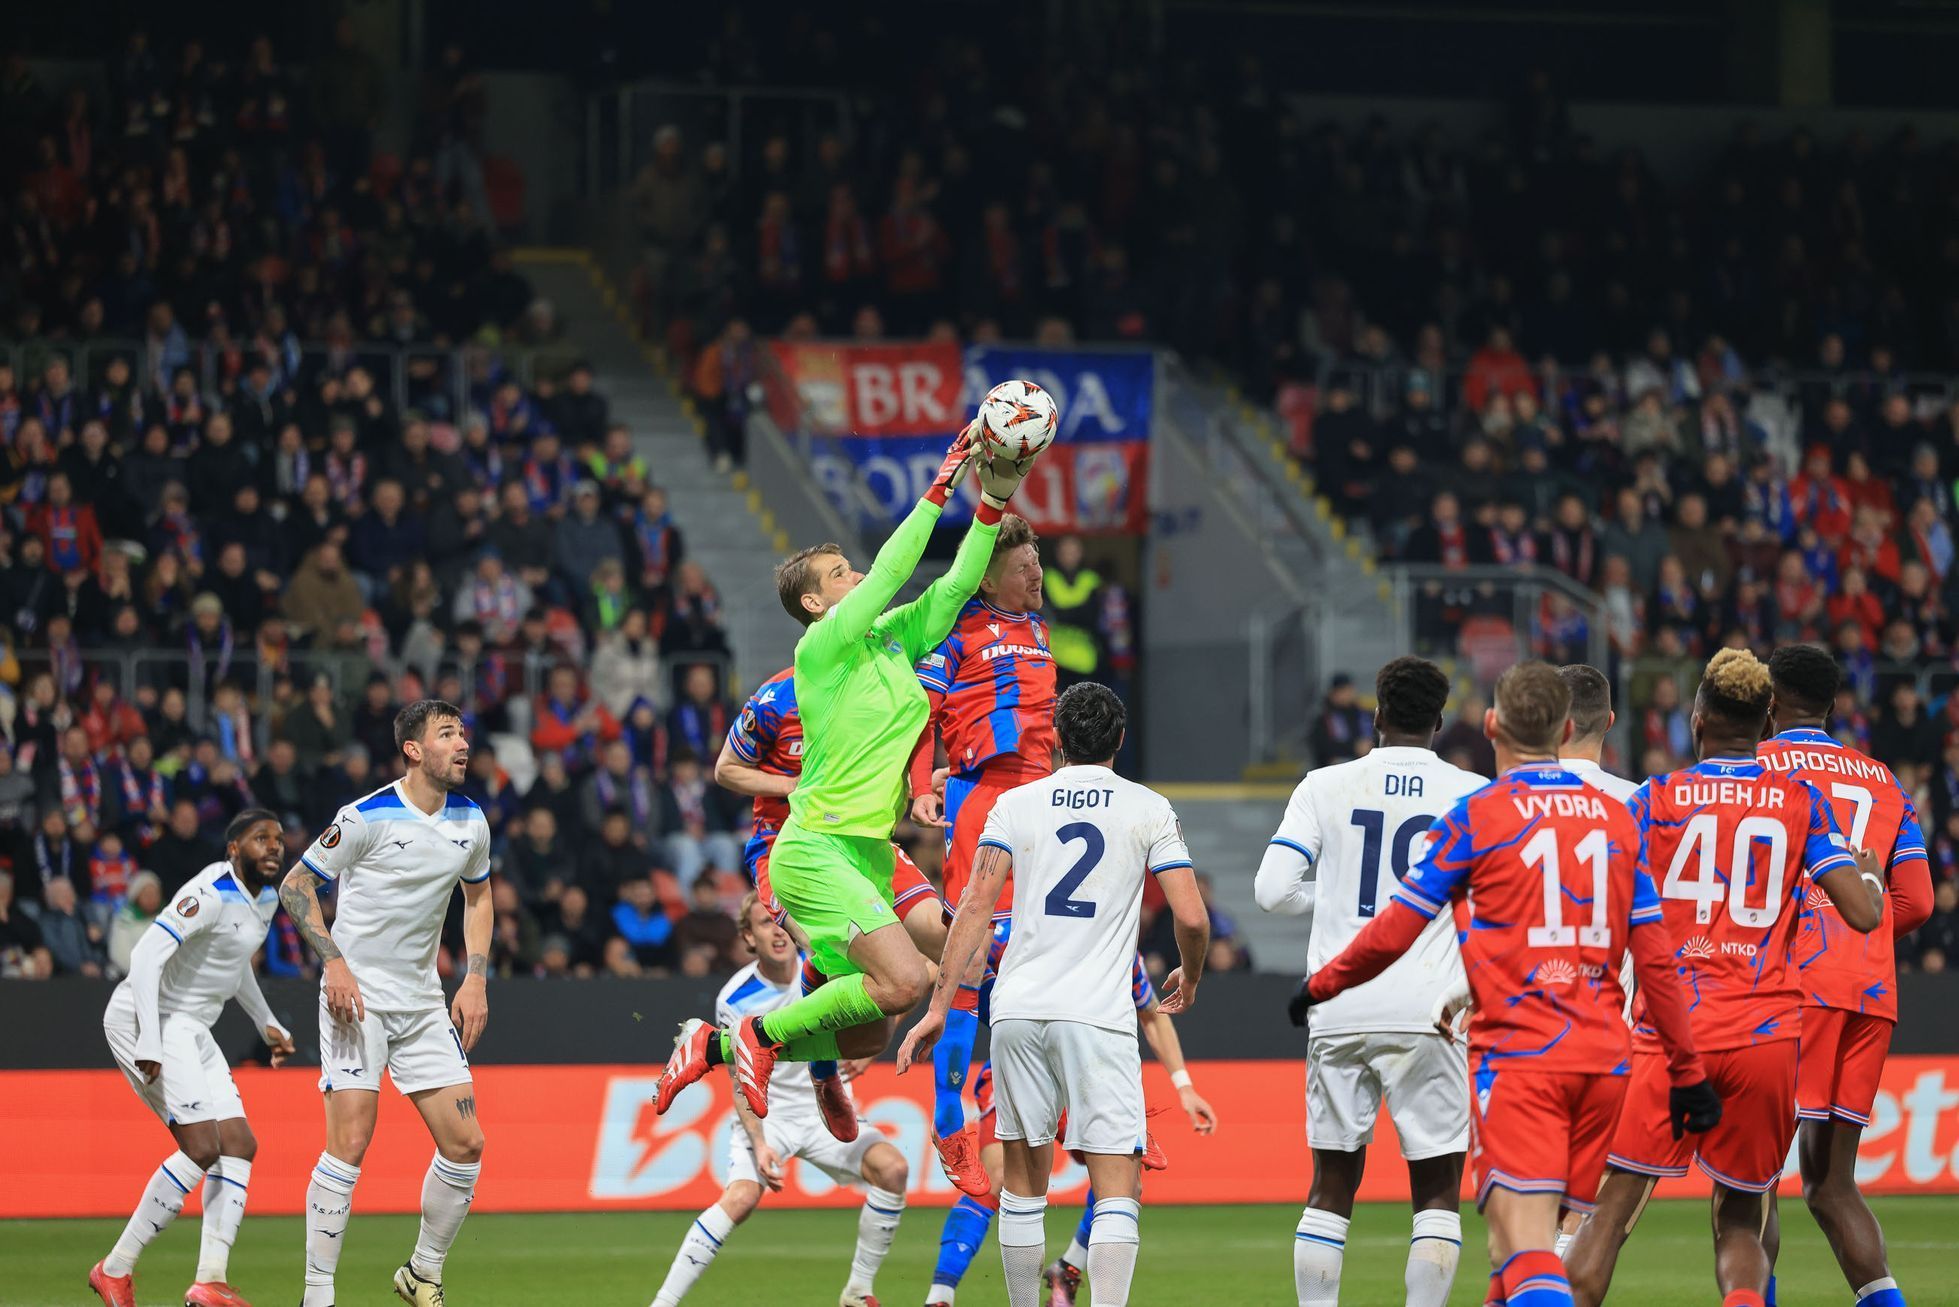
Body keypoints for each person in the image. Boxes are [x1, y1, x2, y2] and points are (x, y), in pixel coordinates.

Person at [1294, 661, 1720, 1307]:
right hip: (1604, 1063)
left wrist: (1323, 984)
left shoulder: (1478, 814)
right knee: (1522, 1253)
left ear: (1491, 723)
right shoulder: (1616, 818)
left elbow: (1397, 927)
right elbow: (1656, 962)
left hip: (1522, 1058)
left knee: (1521, 1251)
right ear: (1569, 727)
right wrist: (1686, 1071)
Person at [654, 421, 1035, 1117]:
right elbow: (892, 568)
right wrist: (944, 479)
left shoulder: (890, 640)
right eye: (840, 576)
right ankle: (754, 1033)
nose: (857, 577)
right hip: (814, 847)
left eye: (850, 570)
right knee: (904, 980)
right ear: (814, 603)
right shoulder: (821, 649)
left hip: (864, 849)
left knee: (868, 1023)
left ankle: (711, 1047)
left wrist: (993, 502)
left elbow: (951, 588)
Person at [1564, 649, 1887, 1307]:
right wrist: (1873, 878)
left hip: (1670, 1032)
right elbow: (1859, 912)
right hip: (1765, 1036)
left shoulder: (1656, 798)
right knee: (1740, 1218)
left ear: (1697, 718)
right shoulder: (1799, 802)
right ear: (1763, 722)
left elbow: (1589, 896)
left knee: (1611, 1210)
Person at [898, 682, 1211, 1307]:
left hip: (1018, 1009)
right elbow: (1193, 917)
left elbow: (973, 911)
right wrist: (1192, 973)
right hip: (1097, 1013)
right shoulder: (1148, 808)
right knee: (1117, 1180)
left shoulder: (1015, 806)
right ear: (1121, 739)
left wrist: (938, 1006)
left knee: (1020, 1182)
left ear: (1057, 742)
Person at [1252, 656, 1484, 1307]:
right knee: (1436, 1192)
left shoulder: (1323, 785)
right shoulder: (1472, 793)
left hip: (1339, 1002)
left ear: (1376, 714)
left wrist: (1330, 899)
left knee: (1330, 1184)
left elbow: (1270, 890)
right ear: (1439, 722)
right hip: (1432, 1007)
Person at [278, 699, 495, 1307]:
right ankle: (317, 1295)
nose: (462, 745)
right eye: (447, 734)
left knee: (467, 1143)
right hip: (358, 999)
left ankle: (423, 1273)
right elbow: (296, 885)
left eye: (464, 735)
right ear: (413, 749)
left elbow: (479, 899)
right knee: (350, 1143)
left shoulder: (471, 821)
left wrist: (475, 978)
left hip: (423, 1002)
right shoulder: (365, 817)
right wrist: (335, 962)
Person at [1751, 644, 1930, 1307]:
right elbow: (1919, 898)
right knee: (1831, 1184)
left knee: (1755, 1181)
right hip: (1870, 992)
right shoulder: (1881, 777)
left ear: (1769, 700)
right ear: (1831, 704)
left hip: (1790, 987)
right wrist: (1864, 924)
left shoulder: (1756, 765)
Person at [714, 664, 950, 1141]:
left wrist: (922, 786)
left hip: (860, 842)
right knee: (831, 953)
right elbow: (726, 770)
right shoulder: (778, 697)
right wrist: (795, 787)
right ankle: (822, 1072)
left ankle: (979, 1105)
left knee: (954, 946)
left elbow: (879, 775)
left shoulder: (875, 689)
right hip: (788, 848)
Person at [647, 894, 909, 1307]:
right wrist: (761, 1142)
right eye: (763, 924)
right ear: (749, 937)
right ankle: (663, 1302)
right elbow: (739, 1082)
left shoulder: (824, 962)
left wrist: (874, 1046)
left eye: (779, 920)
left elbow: (897, 985)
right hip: (770, 1113)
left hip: (824, 1106)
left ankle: (858, 1292)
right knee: (740, 1199)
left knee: (893, 1170)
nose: (776, 930)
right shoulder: (735, 997)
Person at [926, 949, 1217, 1307]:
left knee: (1122, 1179)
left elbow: (1152, 1015)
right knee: (998, 1179)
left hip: (1085, 1071)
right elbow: (951, 969)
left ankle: (1069, 1267)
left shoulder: (1121, 949)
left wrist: (1184, 1084)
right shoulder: (1012, 928)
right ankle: (940, 1294)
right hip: (1029, 1063)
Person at [904, 511, 1056, 1191]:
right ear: (990, 575)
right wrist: (920, 788)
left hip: (1046, 799)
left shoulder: (1039, 631)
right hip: (981, 798)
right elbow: (918, 716)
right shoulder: (955, 630)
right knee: (970, 949)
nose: (1037, 575)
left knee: (1036, 948)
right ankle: (946, 1113)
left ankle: (1055, 1108)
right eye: (1024, 568)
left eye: (1037, 565)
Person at [91, 809, 296, 1307]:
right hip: (147, 1019)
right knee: (202, 1146)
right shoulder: (208, 893)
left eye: (278, 839)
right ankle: (114, 1270)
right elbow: (144, 958)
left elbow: (233, 965)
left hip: (191, 1026)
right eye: (259, 839)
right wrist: (149, 1042)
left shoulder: (266, 899)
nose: (273, 846)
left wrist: (265, 1020)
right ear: (232, 849)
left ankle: (210, 1281)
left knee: (239, 1144)